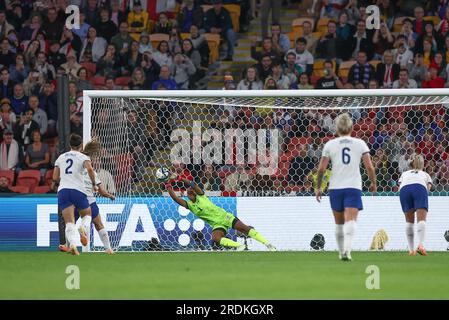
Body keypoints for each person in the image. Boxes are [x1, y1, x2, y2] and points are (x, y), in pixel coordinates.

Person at [315, 113, 377, 261]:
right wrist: (373, 182)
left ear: (336, 128)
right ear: (351, 126)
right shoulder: (360, 143)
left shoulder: (330, 144)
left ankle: (341, 251)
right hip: (353, 187)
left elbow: (321, 169)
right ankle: (347, 252)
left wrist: (318, 187)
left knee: (339, 223)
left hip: (335, 187)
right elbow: (369, 167)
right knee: (351, 221)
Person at [165, 175, 276, 251]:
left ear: (194, 192)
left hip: (225, 217)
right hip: (217, 224)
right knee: (216, 238)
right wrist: (168, 185)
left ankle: (268, 244)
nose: (189, 191)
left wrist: (180, 178)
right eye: (187, 192)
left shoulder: (201, 196)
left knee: (245, 229)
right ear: (187, 196)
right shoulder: (190, 206)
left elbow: (193, 185)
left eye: (190, 190)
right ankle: (239, 246)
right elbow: (175, 198)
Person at [52, 134, 97, 256]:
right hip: (78, 190)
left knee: (69, 222)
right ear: (81, 145)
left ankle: (72, 245)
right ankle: (82, 227)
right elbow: (90, 170)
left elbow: (55, 177)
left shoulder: (61, 157)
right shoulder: (83, 157)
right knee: (87, 215)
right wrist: (94, 184)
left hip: (63, 191)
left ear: (69, 145)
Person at [80, 139, 116, 254]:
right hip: (89, 200)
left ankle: (69, 245)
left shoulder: (76, 171)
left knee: (70, 223)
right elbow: (102, 192)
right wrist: (110, 196)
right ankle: (108, 249)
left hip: (76, 199)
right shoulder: (93, 173)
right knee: (99, 224)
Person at [398, 154, 432, 256]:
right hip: (419, 188)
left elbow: (399, 187)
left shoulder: (404, 174)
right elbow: (428, 188)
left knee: (409, 221)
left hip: (404, 190)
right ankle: (421, 245)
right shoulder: (425, 174)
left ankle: (411, 250)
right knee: (421, 220)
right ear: (422, 164)